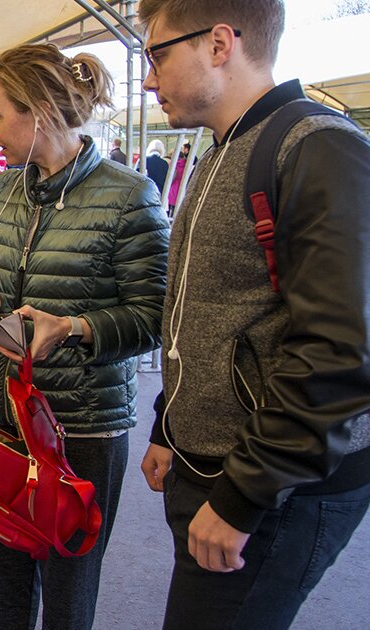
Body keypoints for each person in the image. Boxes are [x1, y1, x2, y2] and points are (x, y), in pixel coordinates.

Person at [138, 1, 370, 628]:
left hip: (280, 489)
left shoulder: (317, 147)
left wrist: (245, 494)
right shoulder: (221, 150)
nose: (148, 79)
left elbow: (339, 350)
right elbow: (206, 309)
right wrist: (169, 422)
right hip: (219, 463)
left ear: (219, 43)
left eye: (157, 54)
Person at [0, 43, 169, 630]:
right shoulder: (4, 193)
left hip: (79, 430)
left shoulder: (129, 197)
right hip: (1, 418)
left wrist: (72, 327)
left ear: (39, 111)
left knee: (70, 592)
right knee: (0, 591)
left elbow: (153, 316)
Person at [166, 142, 192, 215]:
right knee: (176, 213)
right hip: (182, 191)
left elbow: (171, 179)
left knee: (167, 213)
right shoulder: (187, 165)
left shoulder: (173, 166)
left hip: (171, 191)